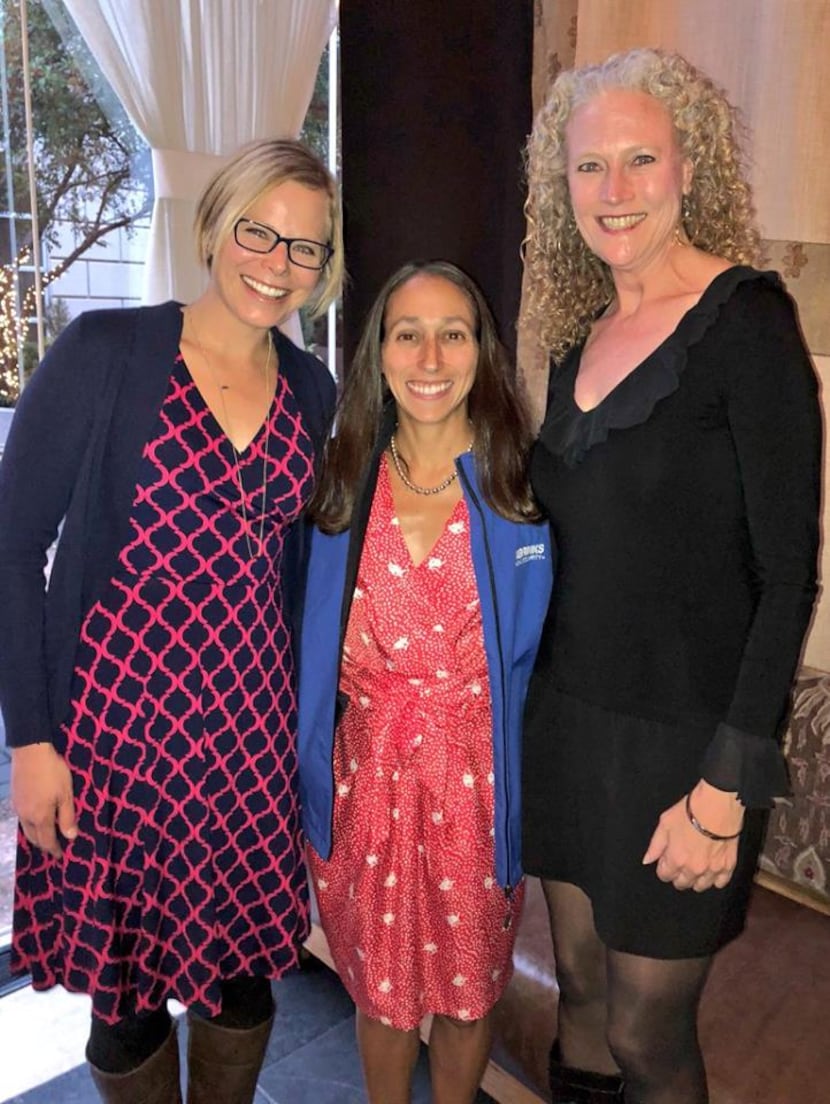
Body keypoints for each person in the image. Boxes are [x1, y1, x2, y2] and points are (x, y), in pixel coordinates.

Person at [0, 138, 343, 1104]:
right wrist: (29, 740)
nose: (277, 264)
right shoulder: (107, 353)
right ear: (213, 227)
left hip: (248, 730)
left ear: (325, 267)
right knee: (130, 993)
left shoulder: (314, 392)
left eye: (305, 248)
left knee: (242, 976)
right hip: (116, 732)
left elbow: (313, 573)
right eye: (258, 232)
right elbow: (14, 550)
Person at [521, 46, 822, 1104]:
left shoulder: (747, 321)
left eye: (638, 160)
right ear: (560, 187)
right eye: (587, 167)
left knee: (649, 1036)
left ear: (686, 168)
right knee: (578, 992)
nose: (613, 192)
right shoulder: (573, 340)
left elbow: (787, 576)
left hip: (681, 747)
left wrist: (723, 791)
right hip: (562, 725)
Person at [296, 260, 553, 1104]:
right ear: (380, 351)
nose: (431, 357)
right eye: (408, 333)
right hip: (363, 778)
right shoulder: (338, 476)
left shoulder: (522, 485)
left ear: (483, 351)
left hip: (477, 785)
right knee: (380, 994)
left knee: (470, 992)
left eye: (454, 333)